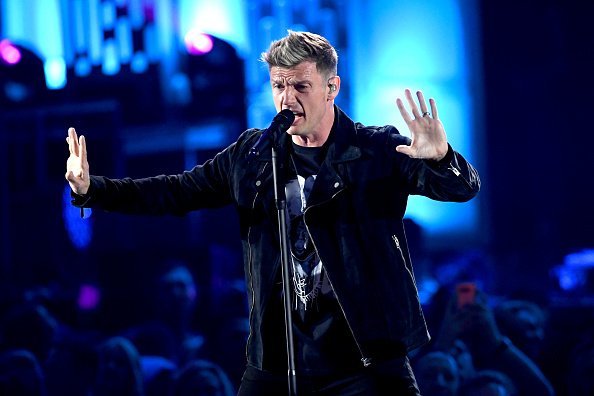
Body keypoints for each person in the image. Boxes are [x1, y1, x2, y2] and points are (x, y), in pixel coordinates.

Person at [65, 30, 480, 395]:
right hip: (280, 358)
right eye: (279, 85)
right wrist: (92, 189)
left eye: (301, 85)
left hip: (365, 357)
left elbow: (460, 189)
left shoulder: (375, 150)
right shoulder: (253, 155)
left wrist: (442, 159)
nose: (287, 98)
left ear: (331, 87)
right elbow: (176, 192)